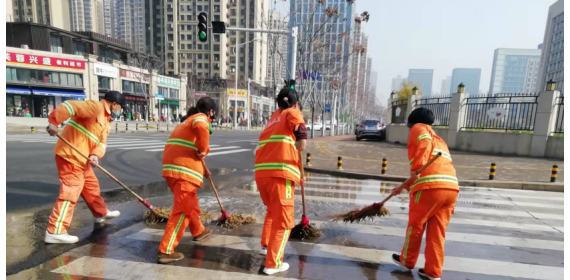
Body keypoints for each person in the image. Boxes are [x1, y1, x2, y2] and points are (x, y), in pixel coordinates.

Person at [44, 91, 127, 244]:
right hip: (70, 156)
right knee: (70, 193)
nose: (120, 111)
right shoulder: (94, 107)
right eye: (120, 107)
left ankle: (100, 213)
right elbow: (70, 106)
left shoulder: (106, 121)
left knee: (91, 188)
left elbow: (101, 143)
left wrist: (95, 155)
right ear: (114, 104)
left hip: (83, 160)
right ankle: (55, 231)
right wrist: (54, 122)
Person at [390, 108, 459, 280]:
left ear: (412, 123)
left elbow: (423, 143)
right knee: (437, 232)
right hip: (450, 189)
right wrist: (405, 186)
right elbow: (432, 166)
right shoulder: (439, 140)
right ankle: (433, 272)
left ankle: (407, 260)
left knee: (416, 225)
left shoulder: (420, 129)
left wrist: (416, 168)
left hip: (430, 188)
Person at [157, 97, 217, 264]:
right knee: (183, 210)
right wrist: (203, 150)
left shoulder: (186, 121)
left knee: (190, 203)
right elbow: (201, 128)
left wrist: (204, 169)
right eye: (213, 115)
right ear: (210, 112)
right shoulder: (200, 118)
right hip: (182, 171)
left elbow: (188, 150)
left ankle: (199, 230)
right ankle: (166, 250)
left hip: (173, 170)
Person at [254, 87, 307, 275]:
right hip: (279, 175)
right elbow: (298, 125)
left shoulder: (273, 120)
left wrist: (299, 173)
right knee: (284, 222)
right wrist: (301, 139)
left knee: (272, 212)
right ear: (295, 103)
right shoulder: (291, 111)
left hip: (263, 176)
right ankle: (273, 263)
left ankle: (266, 245)